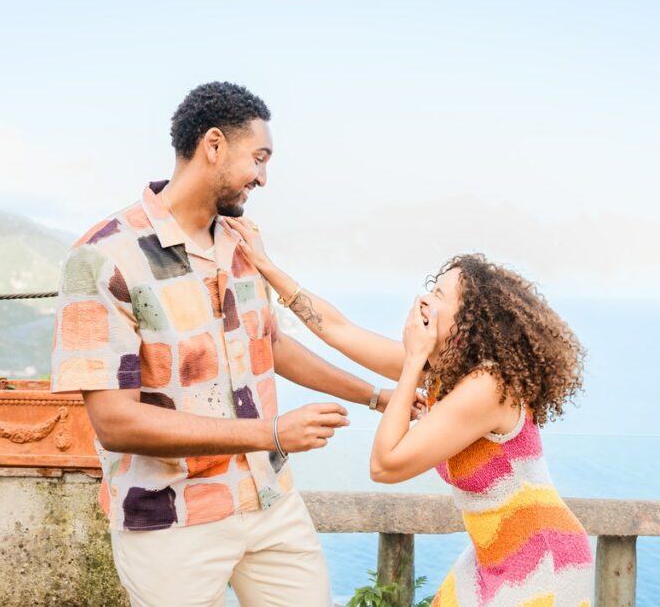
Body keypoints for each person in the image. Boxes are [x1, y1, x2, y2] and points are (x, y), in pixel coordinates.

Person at [50, 81, 420, 607]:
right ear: (215, 145)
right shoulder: (104, 255)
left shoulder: (242, 243)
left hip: (270, 502)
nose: (264, 178)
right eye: (259, 158)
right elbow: (114, 421)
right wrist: (271, 430)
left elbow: (273, 347)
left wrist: (377, 397)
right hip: (171, 521)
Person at [228, 220, 595, 607]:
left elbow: (385, 465)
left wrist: (413, 361)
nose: (424, 299)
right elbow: (338, 329)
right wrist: (266, 266)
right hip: (492, 556)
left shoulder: (487, 387)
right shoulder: (449, 374)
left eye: (439, 294)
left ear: (469, 317)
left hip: (543, 561)